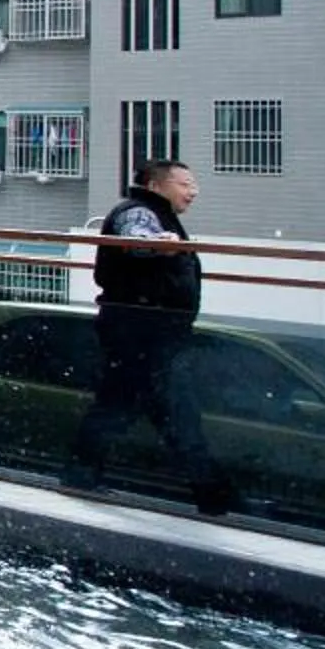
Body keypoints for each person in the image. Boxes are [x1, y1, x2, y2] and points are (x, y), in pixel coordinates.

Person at [66, 159, 239, 515]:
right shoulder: (140, 212)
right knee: (168, 412)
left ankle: (212, 495)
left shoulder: (153, 214)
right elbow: (136, 240)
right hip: (142, 333)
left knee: (134, 408)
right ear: (157, 185)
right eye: (185, 183)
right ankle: (215, 498)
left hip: (148, 332)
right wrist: (161, 243)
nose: (194, 191)